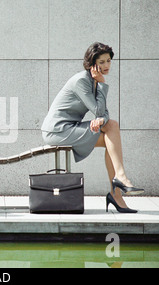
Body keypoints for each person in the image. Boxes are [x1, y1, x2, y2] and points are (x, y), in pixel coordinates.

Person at [41, 42, 144, 213]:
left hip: (70, 127)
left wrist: (101, 118)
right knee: (112, 130)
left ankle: (117, 193)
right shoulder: (83, 80)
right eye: (101, 62)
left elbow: (104, 115)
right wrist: (102, 85)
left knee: (111, 136)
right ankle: (120, 181)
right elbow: (98, 111)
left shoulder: (94, 81)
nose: (106, 65)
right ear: (92, 64)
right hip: (57, 130)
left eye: (108, 61)